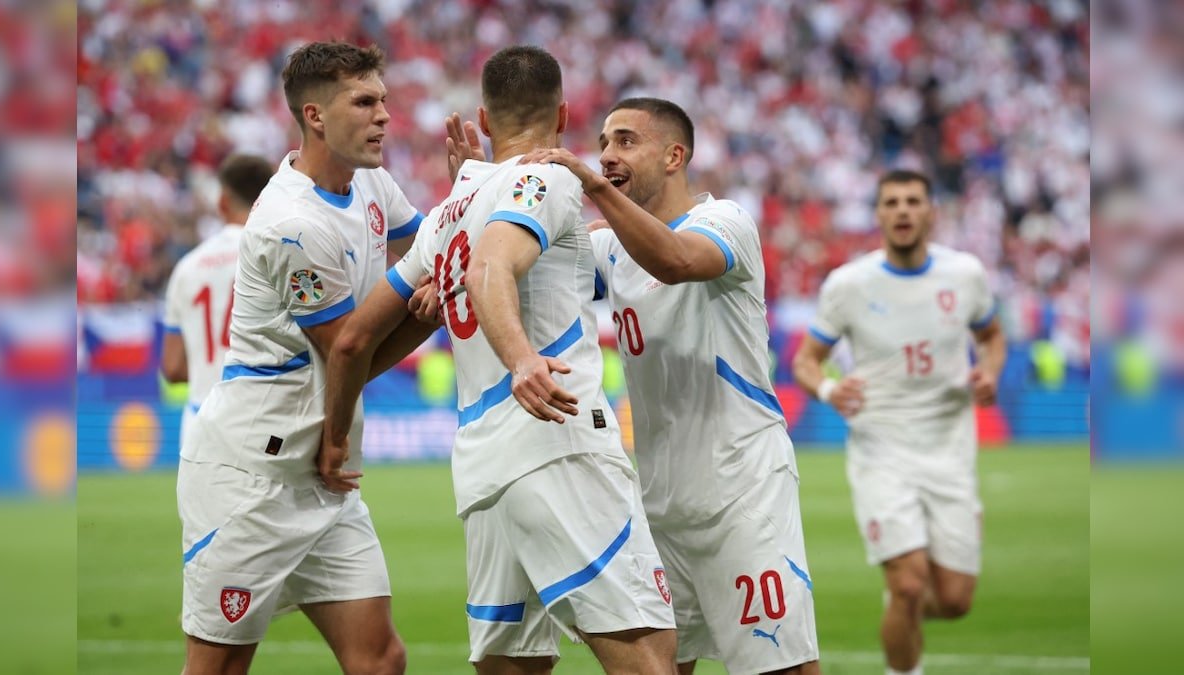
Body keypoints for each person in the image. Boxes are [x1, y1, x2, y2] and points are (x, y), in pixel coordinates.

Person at [322, 46, 677, 674]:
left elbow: (352, 342)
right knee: (646, 649)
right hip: (556, 442)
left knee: (511, 665)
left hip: (483, 470)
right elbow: (491, 266)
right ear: (565, 115)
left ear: (484, 122)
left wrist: (335, 436)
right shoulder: (553, 177)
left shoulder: (444, 216)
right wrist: (522, 360)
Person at [520, 98, 821, 675]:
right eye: (603, 142)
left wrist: (592, 187)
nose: (607, 155)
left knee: (780, 667)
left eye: (626, 141)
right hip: (657, 502)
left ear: (675, 155)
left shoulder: (724, 221)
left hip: (741, 493)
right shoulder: (609, 247)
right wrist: (462, 235)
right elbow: (525, 256)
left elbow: (676, 260)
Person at [175, 40, 428, 675]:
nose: (384, 117)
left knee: (380, 659)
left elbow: (429, 250)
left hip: (322, 482)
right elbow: (349, 347)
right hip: (253, 478)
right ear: (315, 116)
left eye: (384, 101)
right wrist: (427, 307)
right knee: (220, 667)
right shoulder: (292, 222)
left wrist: (465, 205)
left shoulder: (372, 180)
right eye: (364, 102)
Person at [791, 169, 1006, 675]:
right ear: (879, 215)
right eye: (892, 202)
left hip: (950, 447)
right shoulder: (849, 284)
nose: (903, 210)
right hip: (880, 447)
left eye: (913, 201)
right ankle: (904, 653)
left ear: (932, 211)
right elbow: (806, 360)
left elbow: (992, 337)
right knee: (909, 582)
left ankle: (901, 608)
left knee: (954, 599)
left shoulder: (965, 274)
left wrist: (990, 372)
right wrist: (828, 388)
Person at [161, 153, 274, 452]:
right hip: (265, 420)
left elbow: (172, 368)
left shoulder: (187, 267)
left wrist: (206, 368)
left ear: (222, 201)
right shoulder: (279, 254)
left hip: (202, 421)